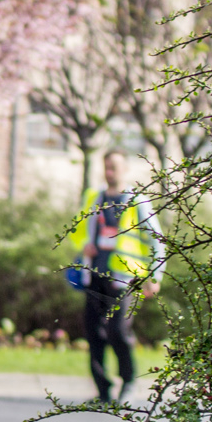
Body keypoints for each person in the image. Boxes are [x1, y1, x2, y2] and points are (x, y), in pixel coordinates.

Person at [72, 150, 163, 404]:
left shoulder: (137, 201)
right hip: (95, 276)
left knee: (118, 331)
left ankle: (129, 381)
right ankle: (103, 391)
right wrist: (84, 246)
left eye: (114, 167)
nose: (109, 172)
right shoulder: (94, 198)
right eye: (106, 166)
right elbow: (77, 230)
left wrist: (155, 276)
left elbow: (158, 241)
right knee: (94, 334)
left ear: (124, 170)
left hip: (124, 278)